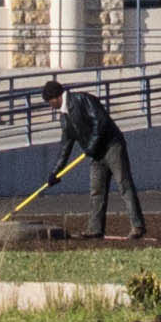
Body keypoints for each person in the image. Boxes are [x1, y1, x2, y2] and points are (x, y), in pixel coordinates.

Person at [37, 78, 139, 239]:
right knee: (96, 190)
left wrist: (92, 144)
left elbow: (101, 121)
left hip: (112, 146)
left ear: (56, 97)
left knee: (124, 185)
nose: (50, 106)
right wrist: (55, 172)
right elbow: (65, 146)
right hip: (95, 153)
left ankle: (137, 227)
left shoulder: (82, 99)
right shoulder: (64, 117)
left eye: (50, 102)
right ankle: (95, 230)